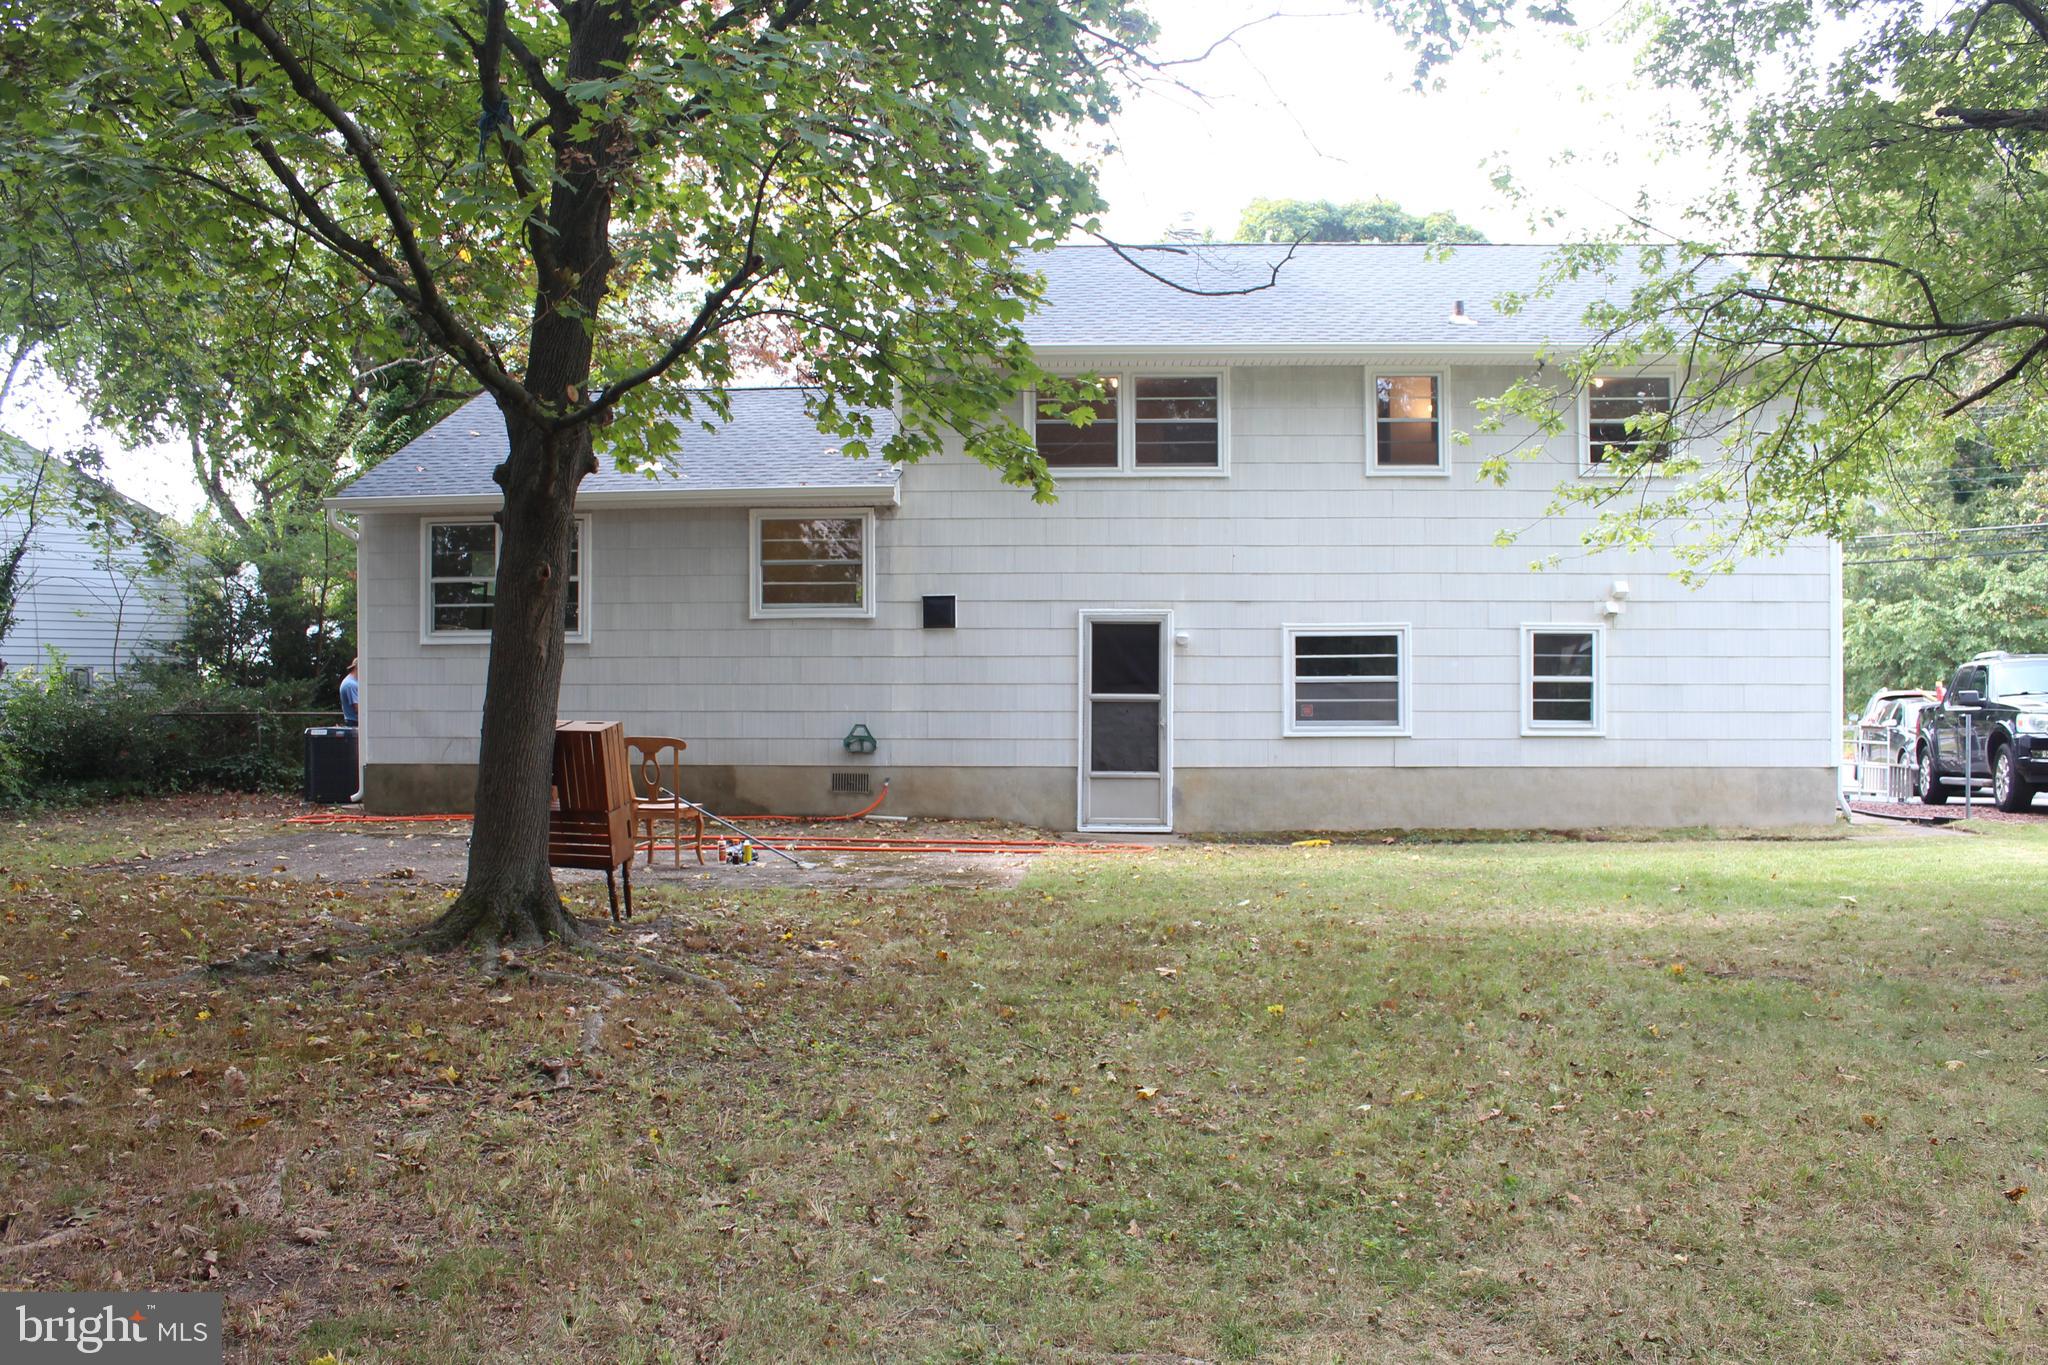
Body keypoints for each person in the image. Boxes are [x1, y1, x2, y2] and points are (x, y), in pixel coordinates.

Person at [340, 659, 362, 803]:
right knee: (356, 758)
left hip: (355, 722)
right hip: (354, 723)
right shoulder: (351, 685)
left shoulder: (351, 683)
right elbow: (358, 708)